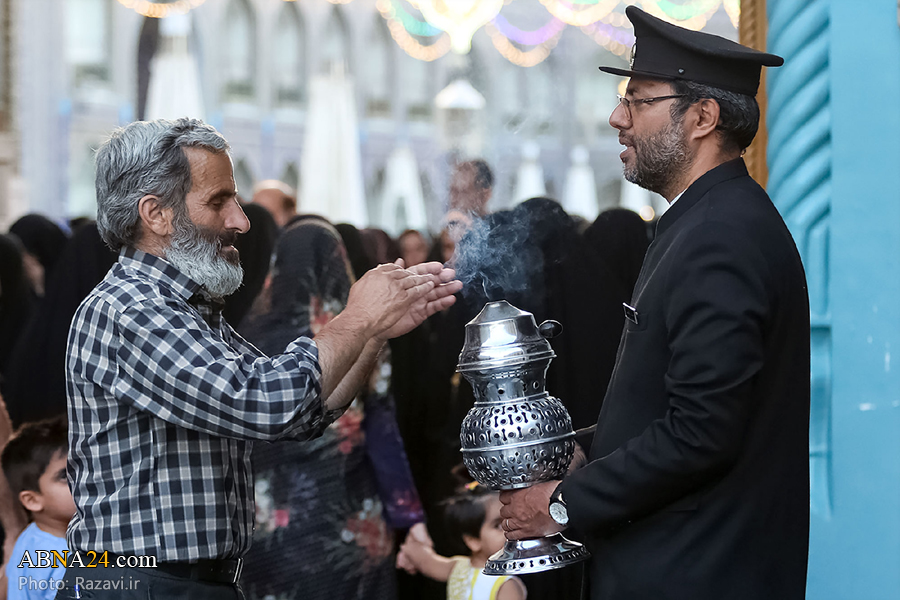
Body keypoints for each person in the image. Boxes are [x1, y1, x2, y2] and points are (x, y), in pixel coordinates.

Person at [62, 117, 461, 600]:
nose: (241, 221)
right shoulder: (131, 309)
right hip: (141, 584)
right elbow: (266, 403)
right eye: (218, 202)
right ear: (156, 214)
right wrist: (358, 317)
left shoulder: (186, 307)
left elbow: (304, 414)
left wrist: (374, 332)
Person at [498, 7, 809, 600]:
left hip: (699, 574)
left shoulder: (721, 236)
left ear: (702, 117)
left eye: (638, 101)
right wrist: (578, 449)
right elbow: (668, 404)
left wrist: (561, 505)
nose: (617, 118)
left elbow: (701, 431)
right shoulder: (701, 221)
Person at [238, 215, 424, 600]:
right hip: (345, 516)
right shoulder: (357, 336)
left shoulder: (245, 338)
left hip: (267, 530)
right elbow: (381, 429)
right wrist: (408, 513)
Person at [398, 484, 526, 600]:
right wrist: (409, 548)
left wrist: (409, 548)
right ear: (473, 541)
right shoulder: (506, 585)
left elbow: (423, 558)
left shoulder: (458, 569)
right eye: (498, 525)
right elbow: (425, 560)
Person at [2, 417, 74, 600]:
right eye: (65, 476)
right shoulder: (67, 561)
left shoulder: (30, 536)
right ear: (32, 500)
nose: (83, 481)